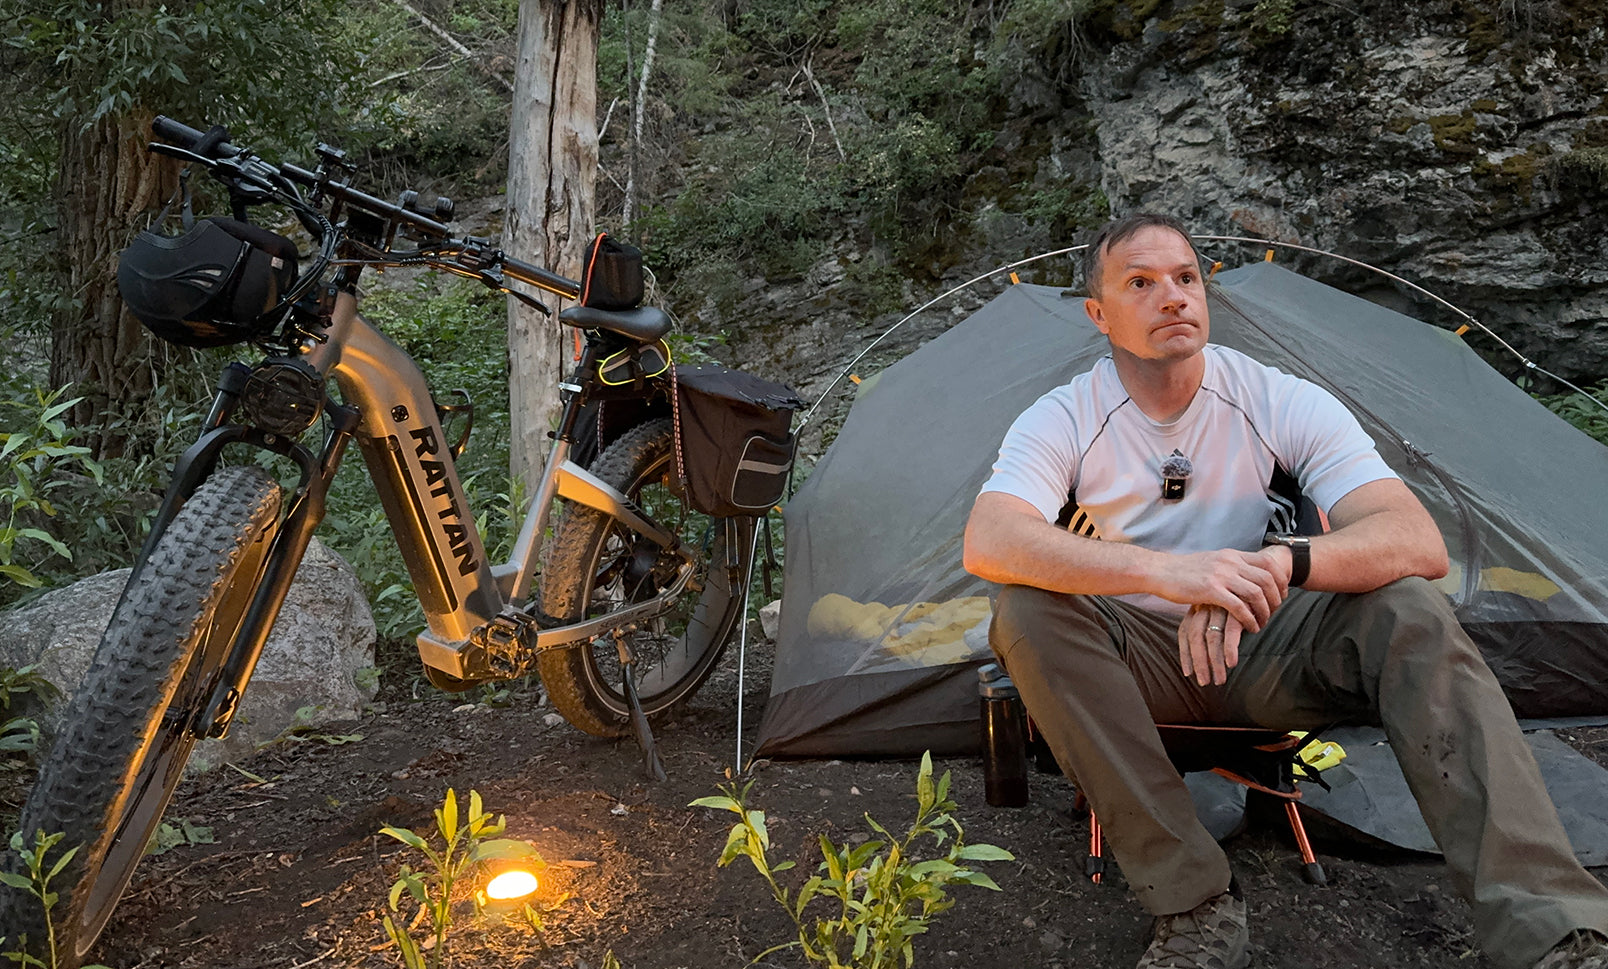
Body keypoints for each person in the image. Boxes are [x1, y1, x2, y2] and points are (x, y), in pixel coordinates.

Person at [961, 212, 1608, 969]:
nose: (1172, 296)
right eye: (1141, 282)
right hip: (1134, 664)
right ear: (1098, 315)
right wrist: (1169, 571)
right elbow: (991, 538)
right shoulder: (1066, 415)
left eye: (1185, 277)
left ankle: (1548, 928)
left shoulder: (1276, 398)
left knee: (1409, 606)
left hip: (1267, 645)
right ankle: (1194, 904)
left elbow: (1414, 539)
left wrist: (1280, 563)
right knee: (1024, 608)